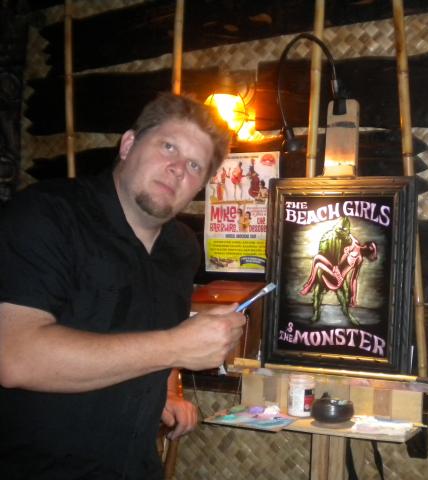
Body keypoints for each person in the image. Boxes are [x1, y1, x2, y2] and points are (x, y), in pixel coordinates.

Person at [0, 93, 247, 479]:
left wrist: (167, 392)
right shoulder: (46, 213)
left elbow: (155, 330)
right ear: (129, 144)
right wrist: (177, 346)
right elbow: (14, 356)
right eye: (168, 146)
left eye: (195, 165)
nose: (177, 169)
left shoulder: (182, 248)